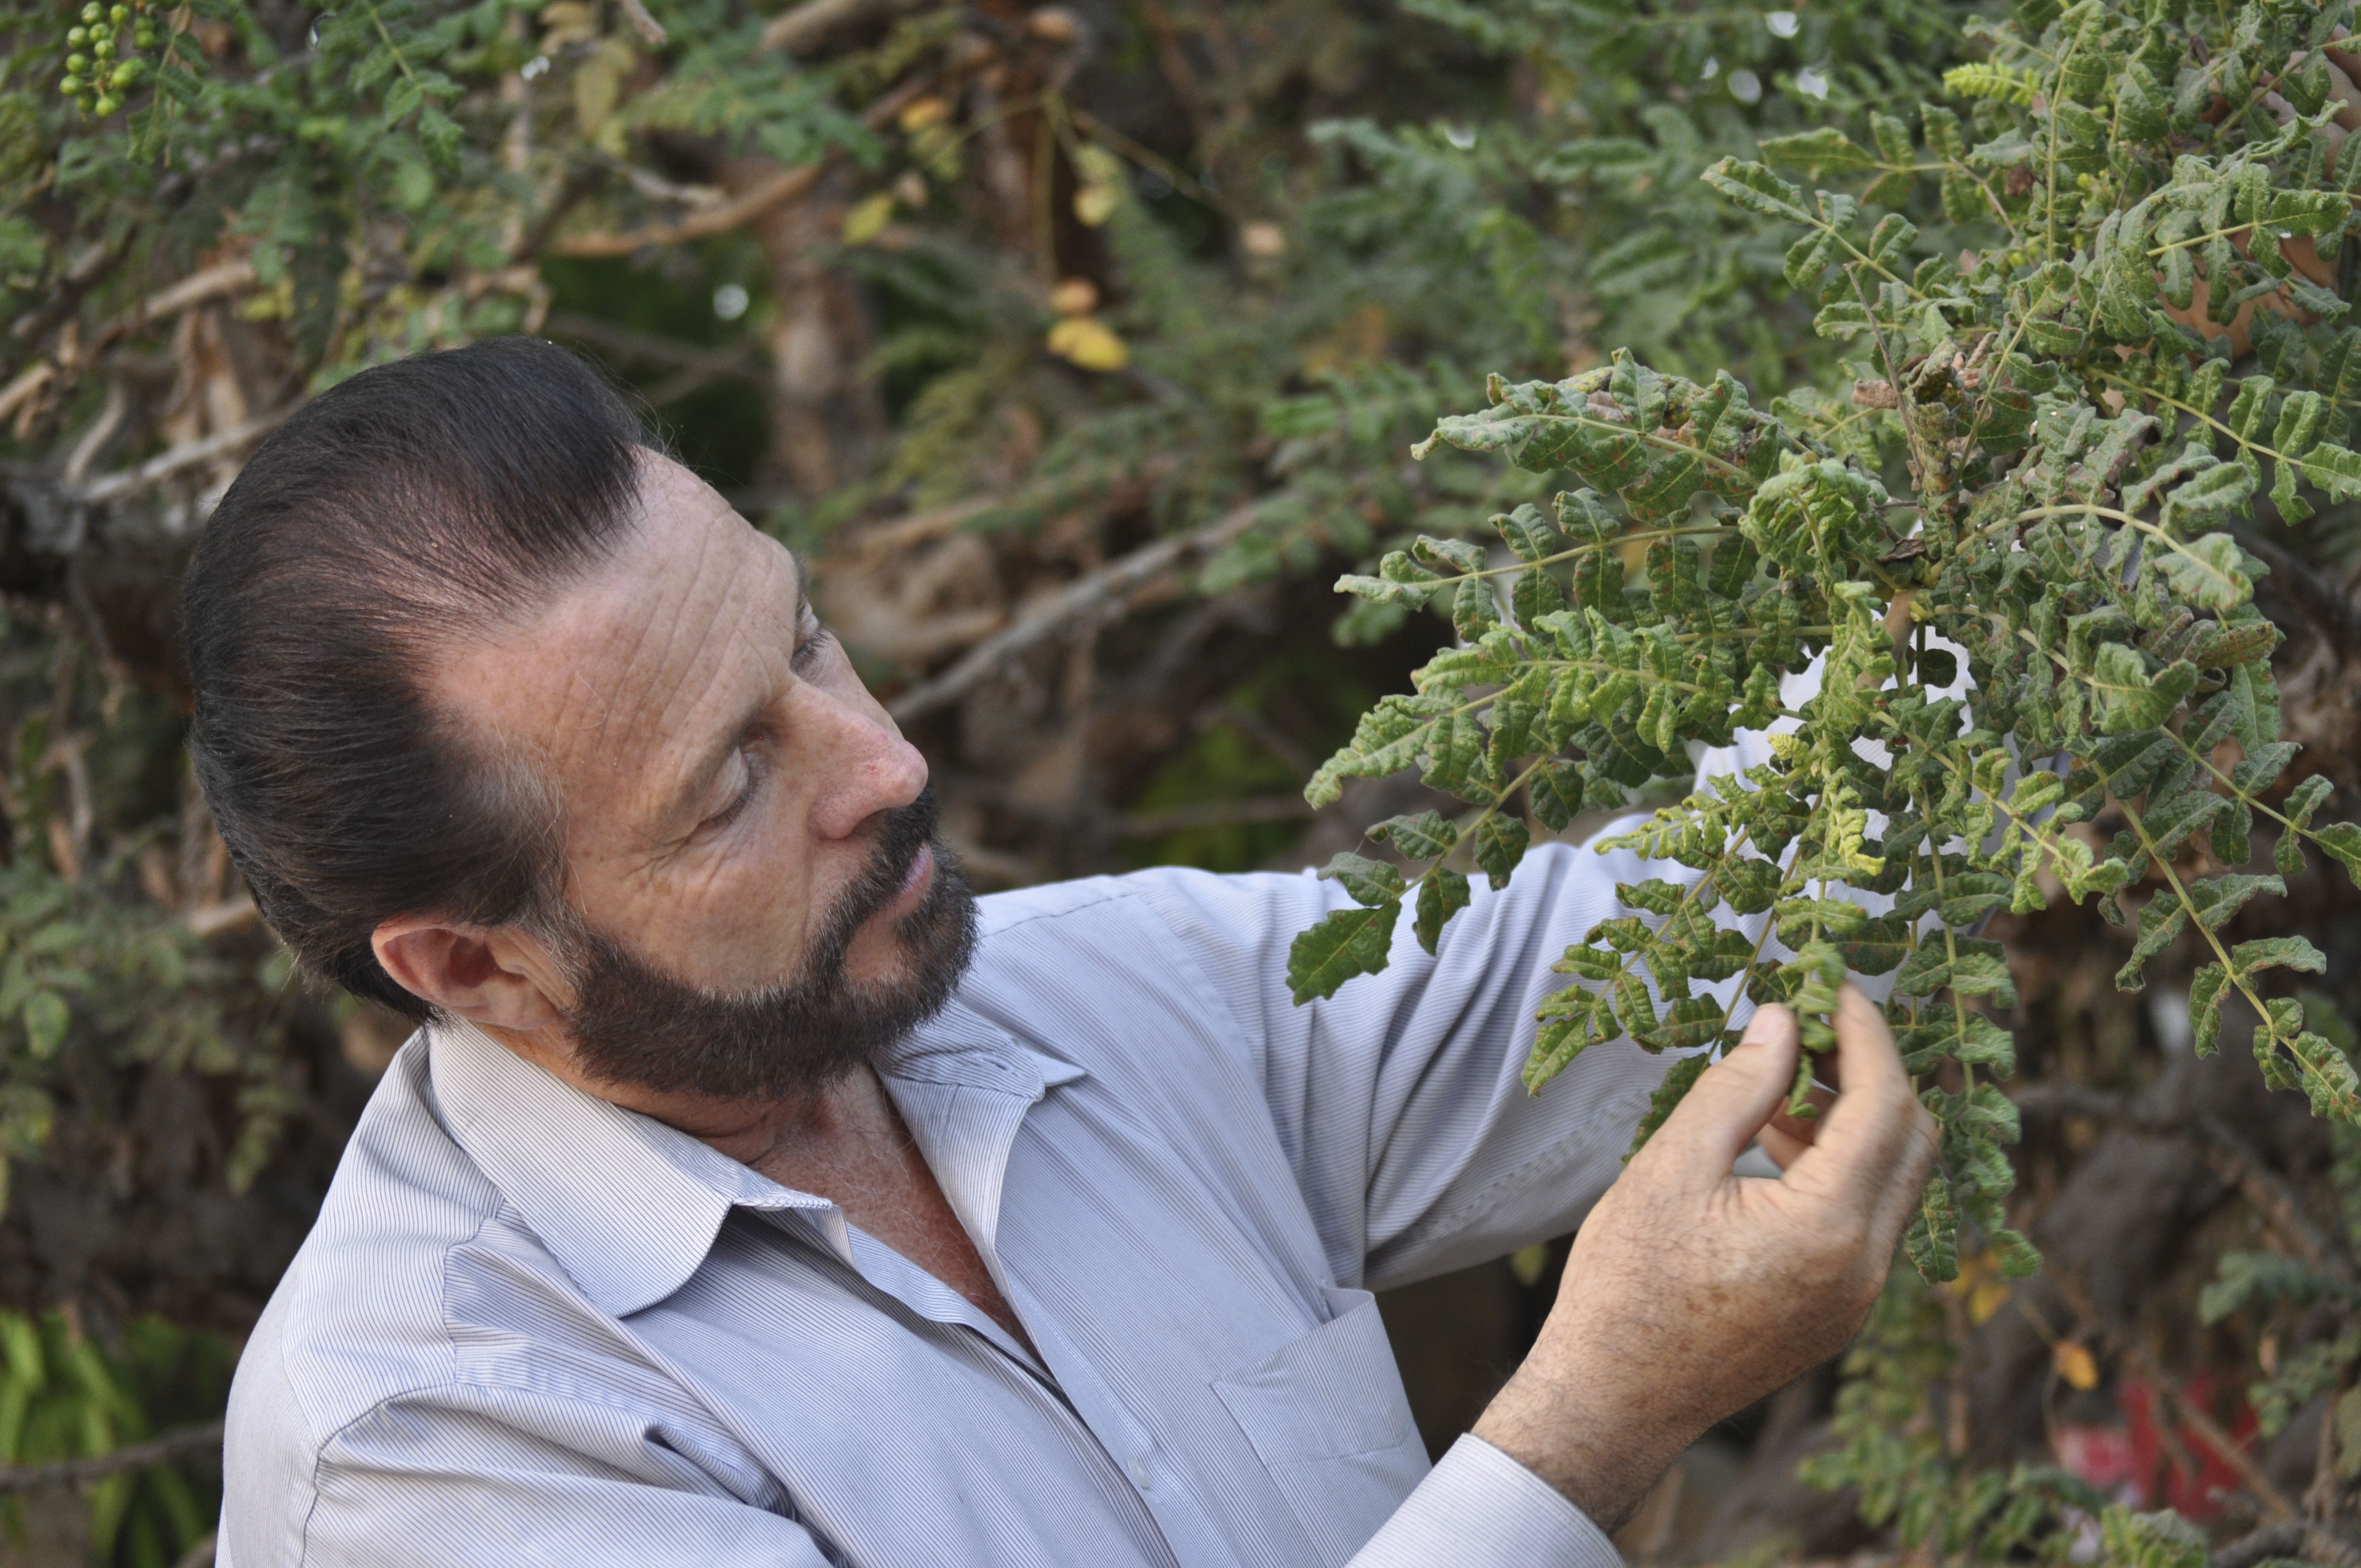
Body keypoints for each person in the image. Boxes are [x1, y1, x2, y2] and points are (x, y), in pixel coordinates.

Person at [191, 337, 1936, 1567]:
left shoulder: (1111, 996)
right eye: (732, 779)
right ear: (476, 967)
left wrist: (2024, 528)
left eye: (809, 642)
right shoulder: (430, 1450)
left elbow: (1706, 934)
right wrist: (1587, 1432)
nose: (883, 763)